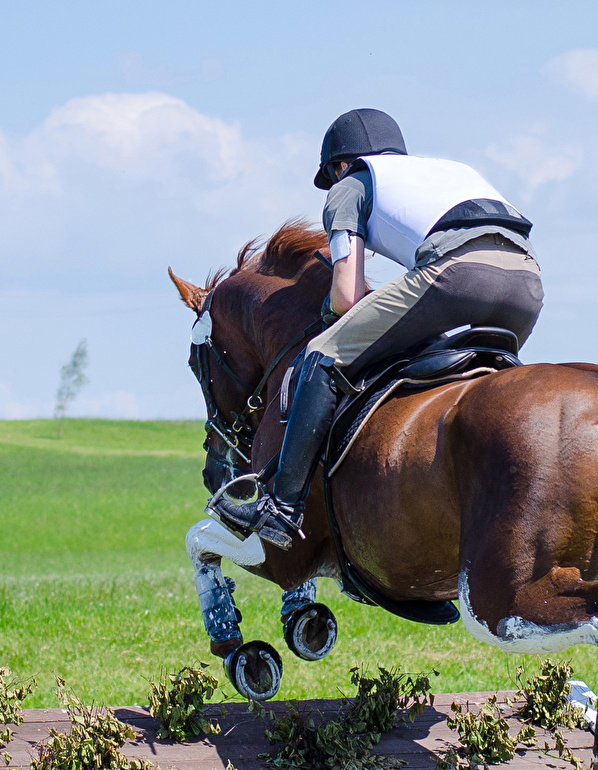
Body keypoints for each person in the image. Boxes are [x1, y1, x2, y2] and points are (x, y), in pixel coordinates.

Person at [210, 108, 544, 549]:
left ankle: (281, 507)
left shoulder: (351, 184)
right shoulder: (447, 171)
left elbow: (347, 296)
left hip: (461, 276)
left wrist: (331, 324)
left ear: (340, 166)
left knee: (324, 353)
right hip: (527, 284)